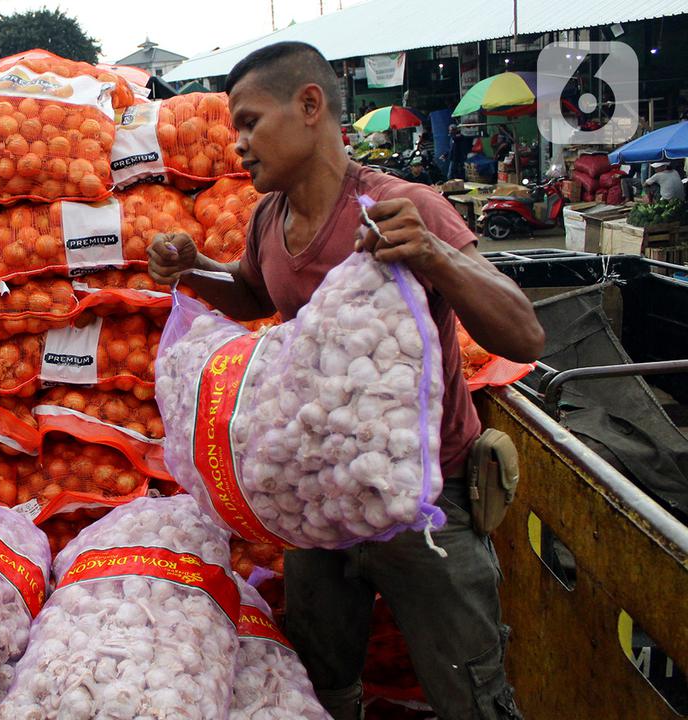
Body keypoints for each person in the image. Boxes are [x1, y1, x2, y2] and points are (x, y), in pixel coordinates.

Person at [147, 41, 542, 720]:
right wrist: (194, 268)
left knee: (467, 689)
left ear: (309, 106)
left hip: (424, 498)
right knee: (320, 678)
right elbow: (253, 294)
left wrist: (434, 254)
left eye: (250, 123)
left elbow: (524, 336)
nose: (239, 144)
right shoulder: (269, 218)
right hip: (317, 497)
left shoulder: (402, 206)